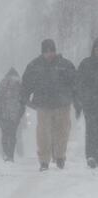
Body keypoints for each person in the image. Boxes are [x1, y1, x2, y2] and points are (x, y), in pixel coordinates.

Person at [20, 39, 81, 171]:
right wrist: (25, 99)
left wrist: (76, 101)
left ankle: (60, 157)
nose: (49, 54)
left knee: (62, 132)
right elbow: (26, 84)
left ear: (55, 50)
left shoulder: (65, 65)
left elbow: (75, 84)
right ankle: (44, 161)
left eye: (52, 50)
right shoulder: (34, 66)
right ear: (42, 52)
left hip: (62, 104)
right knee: (43, 134)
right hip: (43, 105)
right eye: (46, 51)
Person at [0, 67, 25, 162]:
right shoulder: (20, 85)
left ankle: (6, 154)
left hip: (3, 114)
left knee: (5, 134)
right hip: (14, 115)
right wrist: (21, 114)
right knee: (13, 135)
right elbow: (23, 101)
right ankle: (11, 155)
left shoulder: (2, 85)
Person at [77, 38, 98, 169]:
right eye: (97, 48)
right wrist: (84, 98)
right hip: (90, 104)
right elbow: (79, 83)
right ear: (93, 49)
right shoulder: (86, 64)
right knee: (91, 129)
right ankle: (91, 156)